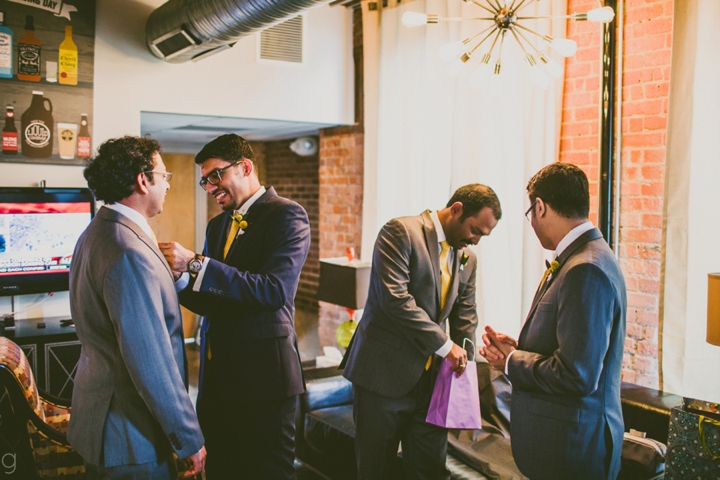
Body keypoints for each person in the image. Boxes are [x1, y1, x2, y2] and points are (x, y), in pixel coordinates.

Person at [159, 134, 310, 479]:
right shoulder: (217, 226)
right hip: (217, 383)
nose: (210, 187)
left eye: (216, 176)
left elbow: (273, 291)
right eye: (204, 181)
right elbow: (215, 298)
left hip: (265, 384)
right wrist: (177, 277)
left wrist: (195, 264)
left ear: (245, 167)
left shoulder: (287, 215)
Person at [341, 184, 502, 479]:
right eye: (475, 230)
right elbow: (395, 300)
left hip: (433, 386)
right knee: (376, 470)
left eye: (482, 235)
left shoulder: (468, 259)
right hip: (382, 377)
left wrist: (467, 363)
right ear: (457, 210)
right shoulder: (401, 231)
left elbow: (465, 317)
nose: (476, 240)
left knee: (430, 471)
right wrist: (444, 345)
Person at [68, 136, 206, 479]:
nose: (167, 185)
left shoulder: (97, 231)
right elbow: (150, 360)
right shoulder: (128, 249)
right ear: (143, 180)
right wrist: (187, 438)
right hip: (129, 435)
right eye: (164, 176)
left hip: (105, 420)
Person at [480, 162, 627, 480]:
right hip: (569, 442)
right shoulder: (590, 255)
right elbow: (574, 348)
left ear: (540, 207)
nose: (531, 221)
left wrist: (511, 361)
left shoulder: (584, 269)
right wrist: (520, 347)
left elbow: (577, 375)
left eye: (530, 212)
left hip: (572, 449)